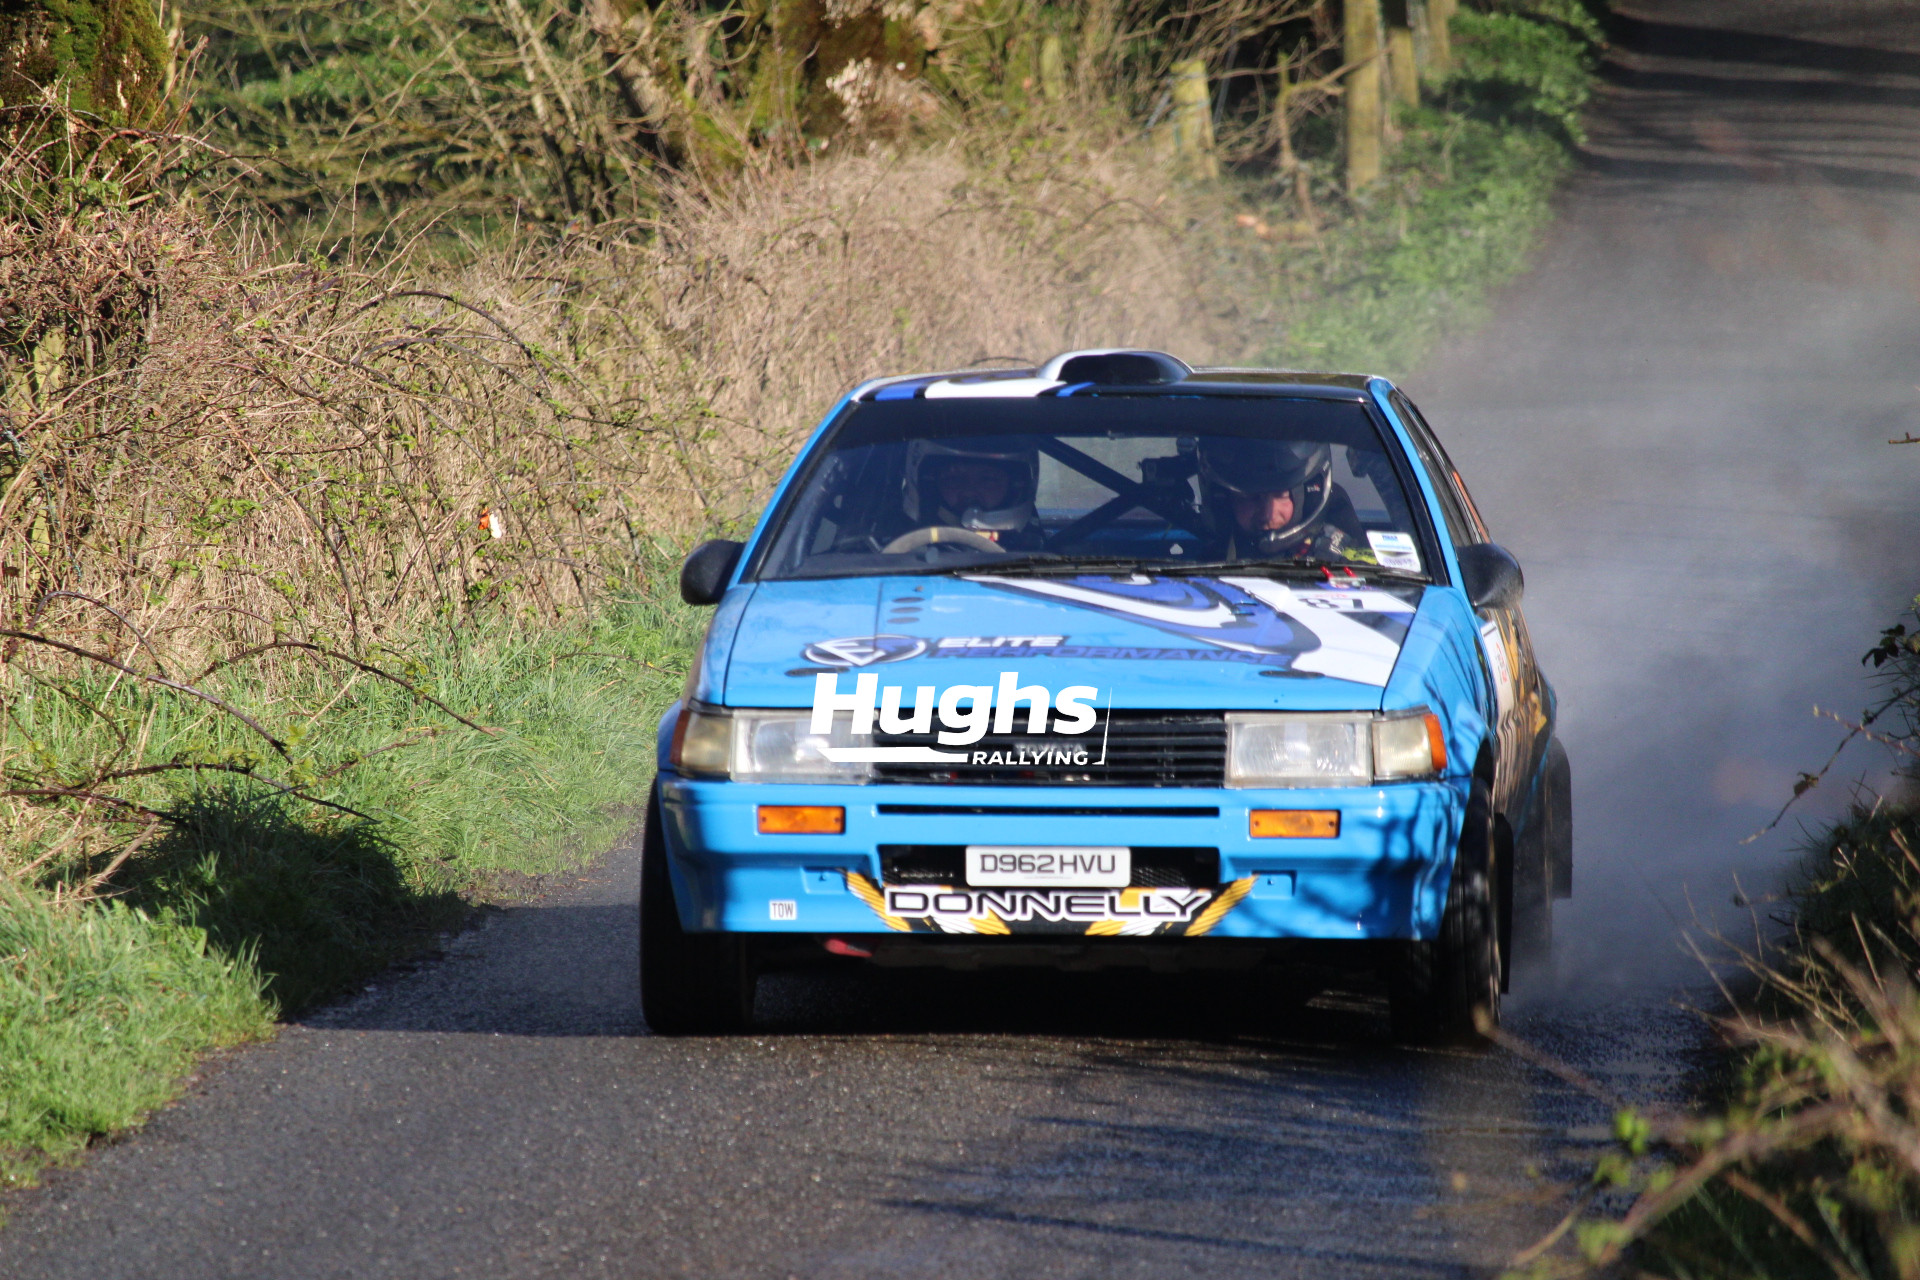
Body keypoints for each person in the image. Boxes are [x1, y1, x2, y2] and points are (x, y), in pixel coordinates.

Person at [1195, 436, 1369, 562]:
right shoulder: (1193, 556)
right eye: (1251, 498)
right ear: (1224, 500)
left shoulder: (1349, 560)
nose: (1269, 515)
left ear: (1307, 496)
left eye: (1281, 495)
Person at [898, 438, 1045, 549]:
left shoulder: (1042, 552)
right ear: (929, 485)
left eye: (988, 480)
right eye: (954, 479)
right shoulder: (895, 550)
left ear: (1015, 488)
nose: (969, 492)